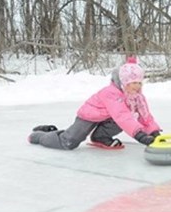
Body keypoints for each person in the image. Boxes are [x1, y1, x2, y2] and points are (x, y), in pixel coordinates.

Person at [28, 57, 162, 150]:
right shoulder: (111, 93)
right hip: (89, 116)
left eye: (139, 82)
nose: (137, 86)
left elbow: (145, 117)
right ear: (124, 82)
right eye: (133, 83)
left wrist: (155, 133)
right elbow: (122, 116)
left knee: (129, 118)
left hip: (108, 117)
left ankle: (100, 137)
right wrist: (140, 136)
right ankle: (40, 136)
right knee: (68, 143)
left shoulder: (137, 97)